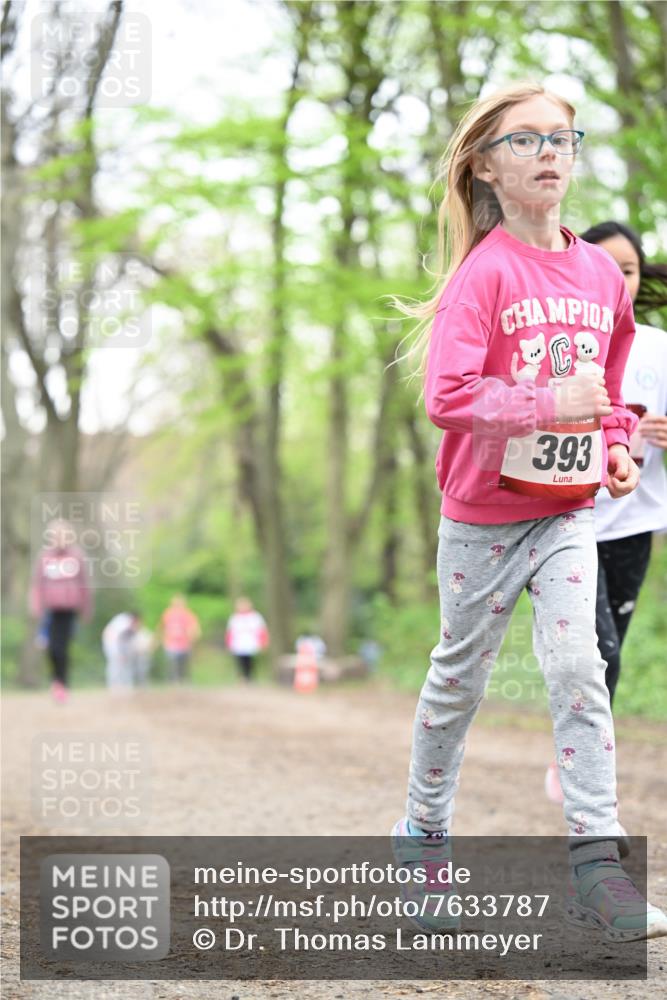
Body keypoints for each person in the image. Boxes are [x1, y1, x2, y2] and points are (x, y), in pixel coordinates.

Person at [386, 80, 667, 941]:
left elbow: (611, 393)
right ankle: (422, 839)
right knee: (457, 681)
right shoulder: (484, 273)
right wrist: (550, 402)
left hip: (565, 513)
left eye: (562, 137)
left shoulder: (597, 275)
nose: (550, 151)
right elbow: (448, 395)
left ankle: (598, 871)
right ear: (485, 166)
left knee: (577, 669)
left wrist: (616, 444)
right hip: (481, 516)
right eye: (526, 139)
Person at [545, 222, 667, 804]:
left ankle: (575, 755)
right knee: (599, 653)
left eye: (630, 270)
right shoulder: (559, 337)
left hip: (635, 519)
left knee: (609, 651)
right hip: (568, 516)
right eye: (609, 267)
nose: (621, 278)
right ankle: (585, 787)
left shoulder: (660, 347)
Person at [29, 518, 93, 703]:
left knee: (62, 648)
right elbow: (37, 584)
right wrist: (36, 606)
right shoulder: (44, 556)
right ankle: (57, 681)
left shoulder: (77, 556)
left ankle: (62, 684)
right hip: (50, 609)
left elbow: (84, 583)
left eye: (63, 535)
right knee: (50, 647)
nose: (59, 538)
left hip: (69, 609)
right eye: (56, 535)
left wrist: (86, 608)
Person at [224, 596, 269, 682]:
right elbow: (230, 632)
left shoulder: (255, 617)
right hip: (238, 643)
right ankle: (242, 677)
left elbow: (261, 630)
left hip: (251, 643)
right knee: (240, 661)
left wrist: (263, 642)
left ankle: (250, 677)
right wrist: (228, 643)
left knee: (250, 661)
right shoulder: (235, 618)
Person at [158, 595, 201, 683]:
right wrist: (161, 639)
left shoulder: (188, 614)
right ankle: (173, 681)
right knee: (172, 664)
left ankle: (184, 681)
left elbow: (194, 628)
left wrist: (193, 638)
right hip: (171, 643)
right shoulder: (168, 614)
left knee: (183, 665)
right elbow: (162, 628)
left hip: (184, 644)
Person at [102, 611, 143, 691]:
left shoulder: (127, 622)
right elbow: (119, 639)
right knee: (115, 664)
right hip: (111, 643)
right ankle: (114, 685)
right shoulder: (124, 623)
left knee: (123, 663)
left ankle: (124, 685)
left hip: (117, 644)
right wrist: (121, 654)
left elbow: (128, 640)